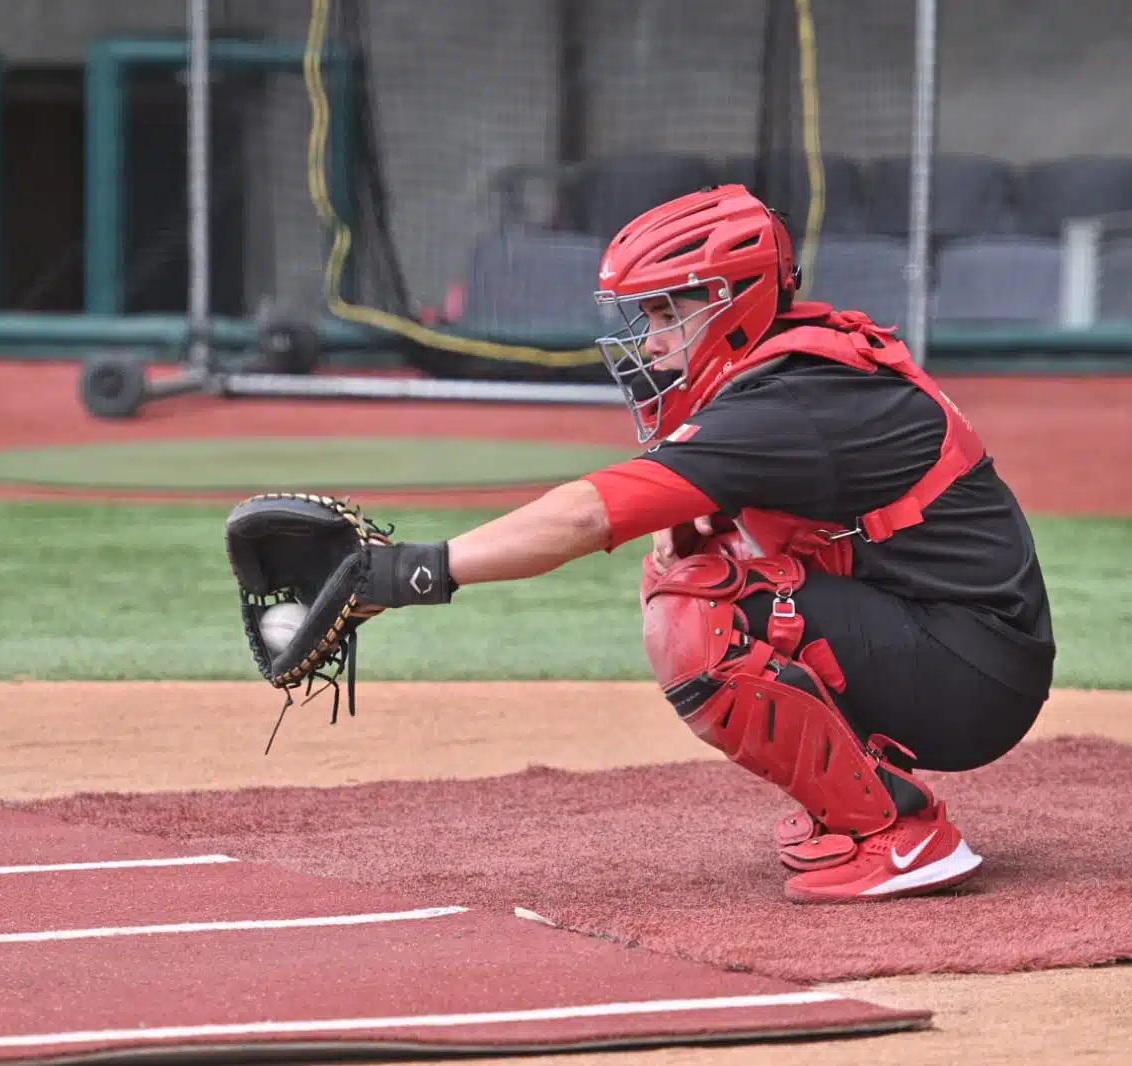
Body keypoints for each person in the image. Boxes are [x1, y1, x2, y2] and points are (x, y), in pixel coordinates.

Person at [356, 184, 1055, 904]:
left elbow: (584, 519)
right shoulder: (791, 378)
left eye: (668, 312)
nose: (651, 339)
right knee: (690, 546)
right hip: (953, 643)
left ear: (737, 298)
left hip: (971, 674)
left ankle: (897, 835)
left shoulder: (796, 404)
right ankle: (854, 802)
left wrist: (408, 572)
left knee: (700, 597)